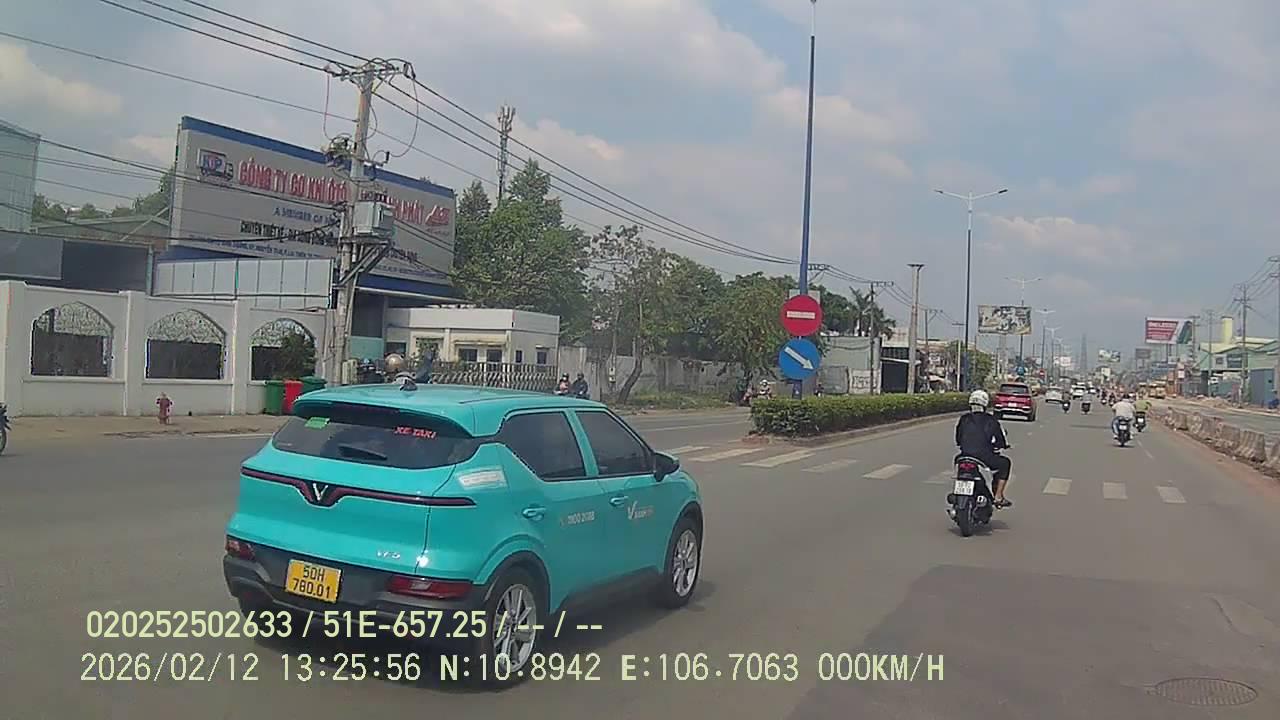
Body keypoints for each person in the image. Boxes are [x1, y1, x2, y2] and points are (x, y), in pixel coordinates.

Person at [955, 390, 1013, 508]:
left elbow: (958, 439)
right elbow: (1000, 441)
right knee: (1005, 463)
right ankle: (998, 497)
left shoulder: (964, 419)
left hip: (964, 456)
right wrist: (1001, 445)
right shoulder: (991, 420)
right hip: (984, 457)